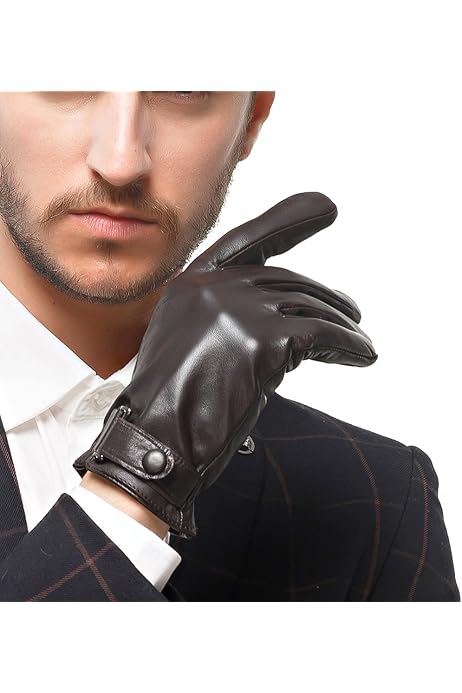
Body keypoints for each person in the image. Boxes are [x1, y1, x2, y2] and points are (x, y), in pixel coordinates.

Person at [0, 91, 458, 601]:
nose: (121, 161)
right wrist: (142, 476)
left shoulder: (375, 499)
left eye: (185, 87)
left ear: (251, 119)